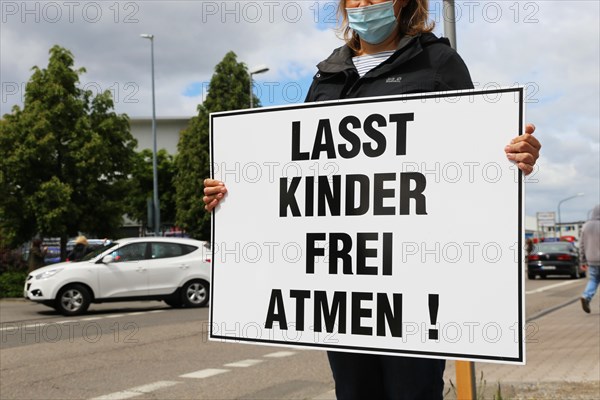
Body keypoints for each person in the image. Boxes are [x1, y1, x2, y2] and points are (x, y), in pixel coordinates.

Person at [204, 0, 541, 398]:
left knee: (411, 392)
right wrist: (234, 195)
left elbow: (470, 154)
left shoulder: (438, 63)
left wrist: (514, 156)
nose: (364, 4)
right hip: (342, 283)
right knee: (352, 390)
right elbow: (298, 173)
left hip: (413, 279)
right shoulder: (326, 76)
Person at [580, 204, 600, 314]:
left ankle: (586, 296)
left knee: (593, 279)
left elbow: (581, 245)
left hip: (591, 259)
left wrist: (582, 260)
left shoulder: (586, 226)